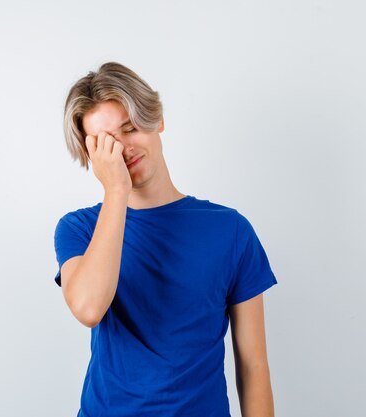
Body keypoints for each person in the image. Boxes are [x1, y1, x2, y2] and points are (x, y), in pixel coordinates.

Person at [53, 61, 278, 417]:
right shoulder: (79, 228)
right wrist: (116, 191)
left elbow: (253, 367)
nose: (123, 148)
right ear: (91, 155)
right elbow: (88, 307)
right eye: (106, 143)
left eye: (130, 129)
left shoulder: (231, 231)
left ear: (156, 119)